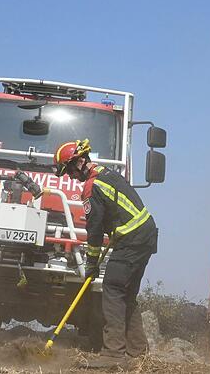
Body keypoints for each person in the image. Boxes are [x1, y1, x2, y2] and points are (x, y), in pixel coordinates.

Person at [54, 139, 158, 369]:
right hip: (145, 235)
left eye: (69, 170)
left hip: (131, 240)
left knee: (112, 289)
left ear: (80, 162)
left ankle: (113, 354)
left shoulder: (92, 187)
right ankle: (138, 352)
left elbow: (94, 230)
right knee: (126, 294)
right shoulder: (107, 174)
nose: (71, 177)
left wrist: (91, 263)